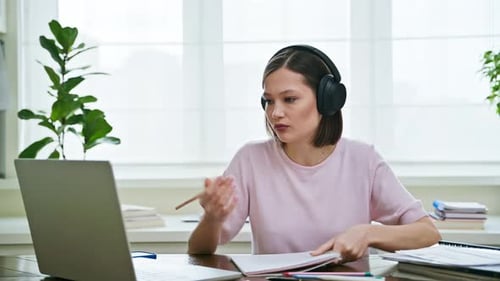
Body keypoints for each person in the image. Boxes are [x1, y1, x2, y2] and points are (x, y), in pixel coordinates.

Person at [187, 45, 441, 262]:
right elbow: (199, 250)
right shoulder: (250, 160)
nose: (275, 113)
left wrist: (368, 233)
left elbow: (428, 232)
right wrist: (211, 218)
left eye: (289, 99)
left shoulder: (363, 160)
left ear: (326, 100)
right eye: (269, 101)